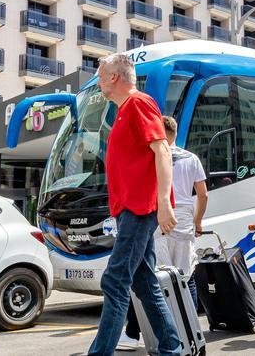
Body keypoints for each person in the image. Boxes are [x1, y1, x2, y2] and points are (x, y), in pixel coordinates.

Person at [87, 53, 181, 356]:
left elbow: (162, 151)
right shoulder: (124, 110)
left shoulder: (138, 103)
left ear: (115, 76)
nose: (99, 78)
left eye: (101, 73)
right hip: (131, 210)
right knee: (144, 284)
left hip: (140, 208)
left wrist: (163, 203)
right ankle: (170, 348)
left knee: (114, 281)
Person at [119, 116, 207, 351]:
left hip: (159, 217)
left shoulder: (153, 156)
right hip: (185, 219)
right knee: (186, 276)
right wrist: (198, 221)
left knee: (156, 279)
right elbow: (203, 194)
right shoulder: (192, 158)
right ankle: (192, 329)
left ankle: (157, 333)